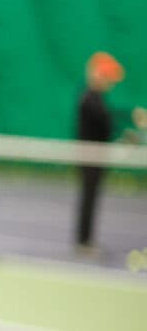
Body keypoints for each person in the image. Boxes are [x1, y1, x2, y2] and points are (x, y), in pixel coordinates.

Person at [74, 51, 128, 253]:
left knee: (91, 198)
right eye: (107, 77)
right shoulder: (89, 98)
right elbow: (106, 120)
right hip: (89, 157)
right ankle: (83, 241)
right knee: (88, 198)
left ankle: (85, 240)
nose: (109, 83)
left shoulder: (98, 98)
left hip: (97, 157)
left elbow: (108, 120)